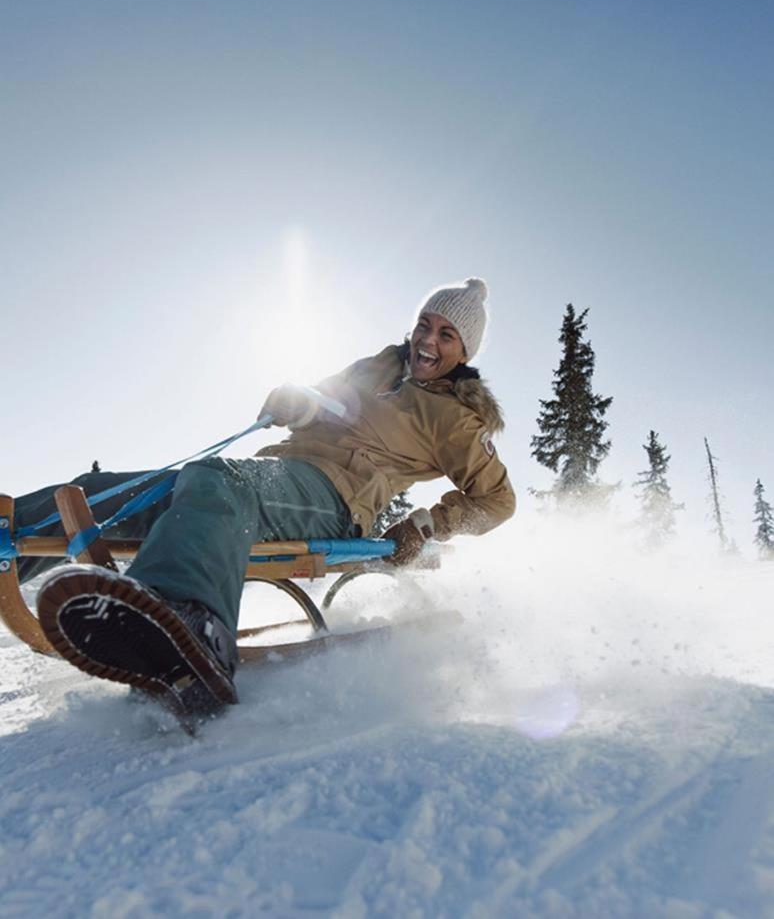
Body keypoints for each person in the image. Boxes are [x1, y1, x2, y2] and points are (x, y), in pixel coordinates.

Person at [31, 277, 515, 717]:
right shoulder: (380, 366)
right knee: (109, 490)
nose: (427, 340)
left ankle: (192, 625)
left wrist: (425, 525)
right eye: (424, 325)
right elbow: (319, 399)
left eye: (445, 335)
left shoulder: (455, 418)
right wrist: (293, 400)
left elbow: (496, 499)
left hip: (335, 502)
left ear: (463, 352)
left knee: (218, 480)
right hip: (276, 474)